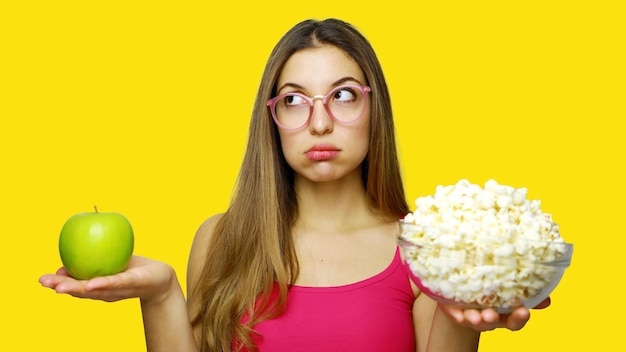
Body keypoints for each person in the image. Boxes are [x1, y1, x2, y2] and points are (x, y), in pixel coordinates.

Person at [39, 18, 549, 352]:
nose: (320, 123)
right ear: (272, 118)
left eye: (344, 96)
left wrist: (463, 318)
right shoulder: (220, 240)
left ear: (376, 111)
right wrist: (160, 294)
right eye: (294, 100)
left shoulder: (426, 252)